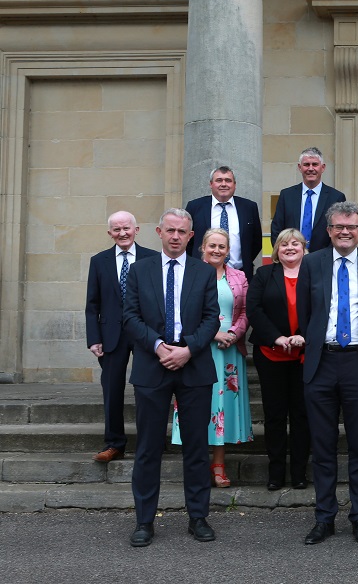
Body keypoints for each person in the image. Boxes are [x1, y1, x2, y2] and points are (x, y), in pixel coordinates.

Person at [122, 208, 219, 547]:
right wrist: (159, 346)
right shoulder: (138, 270)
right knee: (148, 447)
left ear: (192, 236)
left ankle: (198, 517)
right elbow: (130, 316)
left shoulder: (204, 272)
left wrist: (187, 349)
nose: (176, 236)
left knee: (196, 447)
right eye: (171, 230)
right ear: (159, 231)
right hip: (152, 366)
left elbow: (212, 319)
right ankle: (144, 521)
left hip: (193, 367)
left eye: (183, 232)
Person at [297, 201, 358, 546]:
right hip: (321, 363)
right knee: (322, 446)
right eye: (338, 226)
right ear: (328, 230)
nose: (345, 232)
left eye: (351, 227)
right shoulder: (311, 264)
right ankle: (324, 518)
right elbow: (307, 315)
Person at [172, 228, 253, 488]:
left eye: (222, 246)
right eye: (212, 246)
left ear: (228, 251)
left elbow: (245, 312)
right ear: (202, 248)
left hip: (229, 351)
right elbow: (182, 313)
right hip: (198, 349)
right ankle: (196, 464)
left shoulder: (239, 277)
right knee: (200, 407)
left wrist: (232, 333)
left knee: (224, 409)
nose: (216, 250)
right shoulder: (189, 274)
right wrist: (213, 334)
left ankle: (219, 464)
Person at [85, 211, 158, 463]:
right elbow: (92, 304)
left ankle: (150, 443)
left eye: (126, 228)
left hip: (145, 334)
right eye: (116, 229)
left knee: (148, 390)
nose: (122, 233)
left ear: (136, 230)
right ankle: (114, 444)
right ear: (110, 233)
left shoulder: (153, 258)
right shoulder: (99, 261)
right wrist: (94, 338)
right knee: (112, 389)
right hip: (111, 336)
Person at [246, 228, 312, 490]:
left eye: (295, 244)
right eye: (284, 244)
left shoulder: (313, 273)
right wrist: (276, 337)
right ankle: (275, 473)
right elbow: (254, 309)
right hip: (270, 354)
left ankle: (298, 473)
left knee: (301, 415)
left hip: (304, 356)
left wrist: (304, 336)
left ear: (303, 248)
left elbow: (324, 308)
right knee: (274, 415)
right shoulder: (264, 274)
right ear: (277, 249)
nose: (290, 248)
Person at [185, 166, 263, 282]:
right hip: (201, 274)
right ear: (211, 184)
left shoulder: (249, 207)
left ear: (234, 185)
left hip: (240, 274)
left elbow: (256, 241)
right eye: (219, 180)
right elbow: (188, 241)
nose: (223, 184)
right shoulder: (195, 207)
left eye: (228, 180)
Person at [271, 147, 346, 252]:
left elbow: (339, 231)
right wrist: (284, 253)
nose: (311, 168)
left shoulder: (336, 197)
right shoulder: (287, 195)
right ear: (300, 167)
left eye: (315, 164)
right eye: (306, 165)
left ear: (323, 168)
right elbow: (276, 229)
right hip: (291, 258)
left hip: (323, 260)